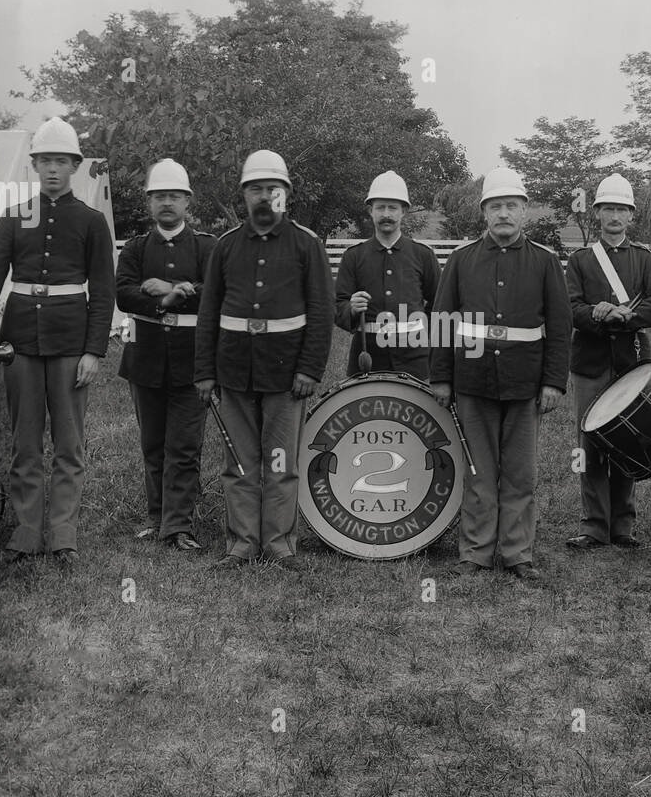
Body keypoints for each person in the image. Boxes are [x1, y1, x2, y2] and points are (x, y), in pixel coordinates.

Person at [0, 117, 115, 564]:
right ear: (34, 165)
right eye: (44, 161)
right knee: (25, 442)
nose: (52, 169)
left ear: (74, 165)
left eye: (61, 161)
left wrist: (94, 350)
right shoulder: (14, 217)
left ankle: (64, 533)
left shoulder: (91, 221)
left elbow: (104, 290)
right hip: (19, 345)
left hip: (71, 343)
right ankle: (28, 530)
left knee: (69, 444)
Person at [430, 166, 572, 580]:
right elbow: (442, 320)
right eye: (496, 206)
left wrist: (552, 382)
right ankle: (474, 552)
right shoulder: (461, 260)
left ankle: (517, 553)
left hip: (524, 382)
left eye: (512, 205)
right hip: (472, 381)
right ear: (484, 213)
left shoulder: (545, 263)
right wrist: (441, 377)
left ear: (524, 211)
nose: (504, 213)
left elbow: (561, 328)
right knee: (478, 469)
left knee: (520, 473)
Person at [194, 149, 332, 570]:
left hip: (286, 373)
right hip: (234, 370)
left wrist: (309, 369)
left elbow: (322, 312)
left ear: (285, 193)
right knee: (239, 461)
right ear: (244, 194)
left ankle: (279, 542)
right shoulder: (226, 246)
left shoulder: (307, 245)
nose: (264, 196)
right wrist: (204, 372)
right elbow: (209, 311)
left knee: (280, 461)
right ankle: (242, 542)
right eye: (255, 188)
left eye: (272, 188)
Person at [116, 158, 216, 552]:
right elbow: (122, 291)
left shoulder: (208, 247)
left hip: (193, 360)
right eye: (159, 196)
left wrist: (172, 287)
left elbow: (219, 292)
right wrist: (159, 297)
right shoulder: (137, 248)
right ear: (149, 202)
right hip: (146, 357)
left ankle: (178, 526)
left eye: (174, 196)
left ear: (187, 201)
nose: (166, 203)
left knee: (185, 445)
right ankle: (156, 517)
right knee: (153, 443)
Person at [564, 174, 651, 551]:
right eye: (608, 208)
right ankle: (593, 524)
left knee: (627, 439)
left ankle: (622, 524)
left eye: (622, 209)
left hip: (629, 359)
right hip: (590, 360)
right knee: (588, 443)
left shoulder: (644, 258)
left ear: (631, 216)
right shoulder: (580, 260)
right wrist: (596, 313)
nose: (615, 215)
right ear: (597, 213)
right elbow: (569, 307)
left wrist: (629, 317)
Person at [334, 170, 440, 381]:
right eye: (380, 207)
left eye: (393, 208)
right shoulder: (354, 257)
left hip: (414, 359)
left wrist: (421, 330)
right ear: (370, 211)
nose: (386, 214)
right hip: (367, 357)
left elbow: (439, 303)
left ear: (404, 212)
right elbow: (338, 306)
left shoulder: (423, 255)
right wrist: (351, 309)